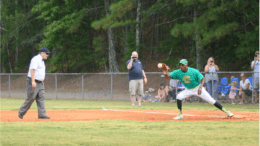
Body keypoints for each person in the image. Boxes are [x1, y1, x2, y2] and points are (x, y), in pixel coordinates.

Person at [164, 59, 234, 120]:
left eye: (182, 64)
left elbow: (203, 78)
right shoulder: (178, 72)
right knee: (178, 97)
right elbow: (167, 76)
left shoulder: (194, 71)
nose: (181, 66)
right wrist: (165, 70)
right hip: (188, 90)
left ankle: (227, 112)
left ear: (186, 65)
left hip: (198, 88)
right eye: (180, 64)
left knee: (211, 101)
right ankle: (180, 115)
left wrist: (200, 87)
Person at [18, 47, 51, 119]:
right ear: (42, 53)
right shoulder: (36, 59)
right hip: (33, 81)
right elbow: (32, 70)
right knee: (31, 98)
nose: (47, 55)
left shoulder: (42, 61)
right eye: (46, 53)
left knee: (41, 98)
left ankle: (42, 114)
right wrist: (33, 81)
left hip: (40, 82)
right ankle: (21, 112)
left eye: (48, 54)